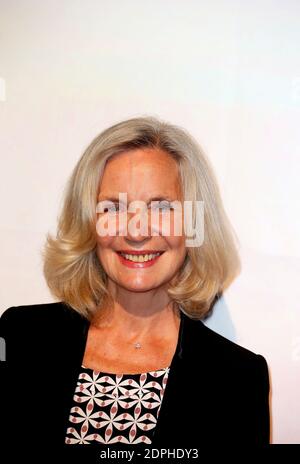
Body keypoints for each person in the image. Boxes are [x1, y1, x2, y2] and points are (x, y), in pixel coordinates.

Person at [0, 116, 270, 451]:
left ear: (194, 226)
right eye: (113, 207)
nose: (136, 231)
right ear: (89, 223)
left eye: (161, 207)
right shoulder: (20, 337)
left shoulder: (237, 379)